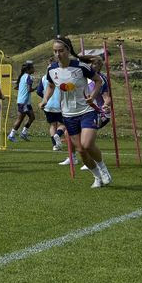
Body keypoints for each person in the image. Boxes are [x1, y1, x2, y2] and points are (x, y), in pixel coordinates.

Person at [41, 35, 112, 188]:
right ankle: (97, 177)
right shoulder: (52, 69)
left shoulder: (81, 66)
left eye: (61, 51)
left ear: (68, 50)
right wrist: (45, 99)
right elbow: (51, 86)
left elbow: (98, 80)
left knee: (87, 144)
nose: (58, 54)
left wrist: (92, 97)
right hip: (68, 114)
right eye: (55, 51)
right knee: (80, 150)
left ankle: (103, 169)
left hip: (87, 111)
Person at [8, 61, 35, 142]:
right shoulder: (28, 77)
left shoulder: (23, 76)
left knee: (30, 117)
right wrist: (38, 87)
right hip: (24, 102)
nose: (34, 69)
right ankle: (13, 135)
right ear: (28, 69)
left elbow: (17, 87)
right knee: (24, 118)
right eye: (32, 67)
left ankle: (22, 133)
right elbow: (29, 89)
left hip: (23, 101)